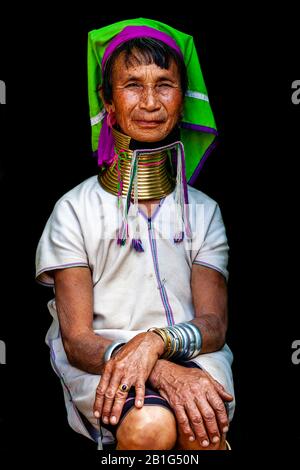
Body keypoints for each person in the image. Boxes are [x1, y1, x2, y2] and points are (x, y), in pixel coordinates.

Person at [35, 18, 235, 450]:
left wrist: (157, 343)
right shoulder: (74, 210)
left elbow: (214, 324)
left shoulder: (203, 212)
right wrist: (151, 363)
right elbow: (77, 340)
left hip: (197, 355)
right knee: (149, 430)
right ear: (107, 101)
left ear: (183, 100)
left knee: (203, 432)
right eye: (131, 85)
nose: (150, 101)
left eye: (164, 84)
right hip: (104, 364)